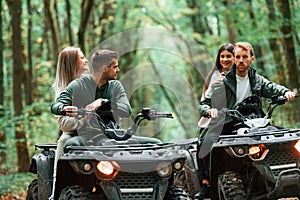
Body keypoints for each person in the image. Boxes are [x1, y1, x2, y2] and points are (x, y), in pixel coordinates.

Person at [195, 42, 296, 199]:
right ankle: (207, 183)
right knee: (206, 142)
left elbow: (272, 87)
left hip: (252, 121)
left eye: (244, 57)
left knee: (282, 137)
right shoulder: (222, 81)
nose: (241, 60)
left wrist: (286, 92)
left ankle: (281, 173)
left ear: (252, 59)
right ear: (234, 59)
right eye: (238, 57)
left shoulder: (256, 79)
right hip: (226, 121)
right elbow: (204, 103)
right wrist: (209, 110)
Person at [195, 43, 235, 199]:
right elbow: (205, 99)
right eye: (222, 56)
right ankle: (206, 183)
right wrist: (210, 110)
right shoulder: (214, 76)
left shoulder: (240, 75)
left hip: (237, 117)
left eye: (228, 56)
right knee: (202, 143)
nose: (225, 59)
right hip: (216, 118)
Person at [50, 46, 89, 200]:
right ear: (72, 63)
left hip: (98, 133)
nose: (86, 60)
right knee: (64, 140)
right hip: (74, 134)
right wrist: (83, 119)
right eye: (82, 57)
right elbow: (63, 123)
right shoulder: (62, 91)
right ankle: (56, 189)